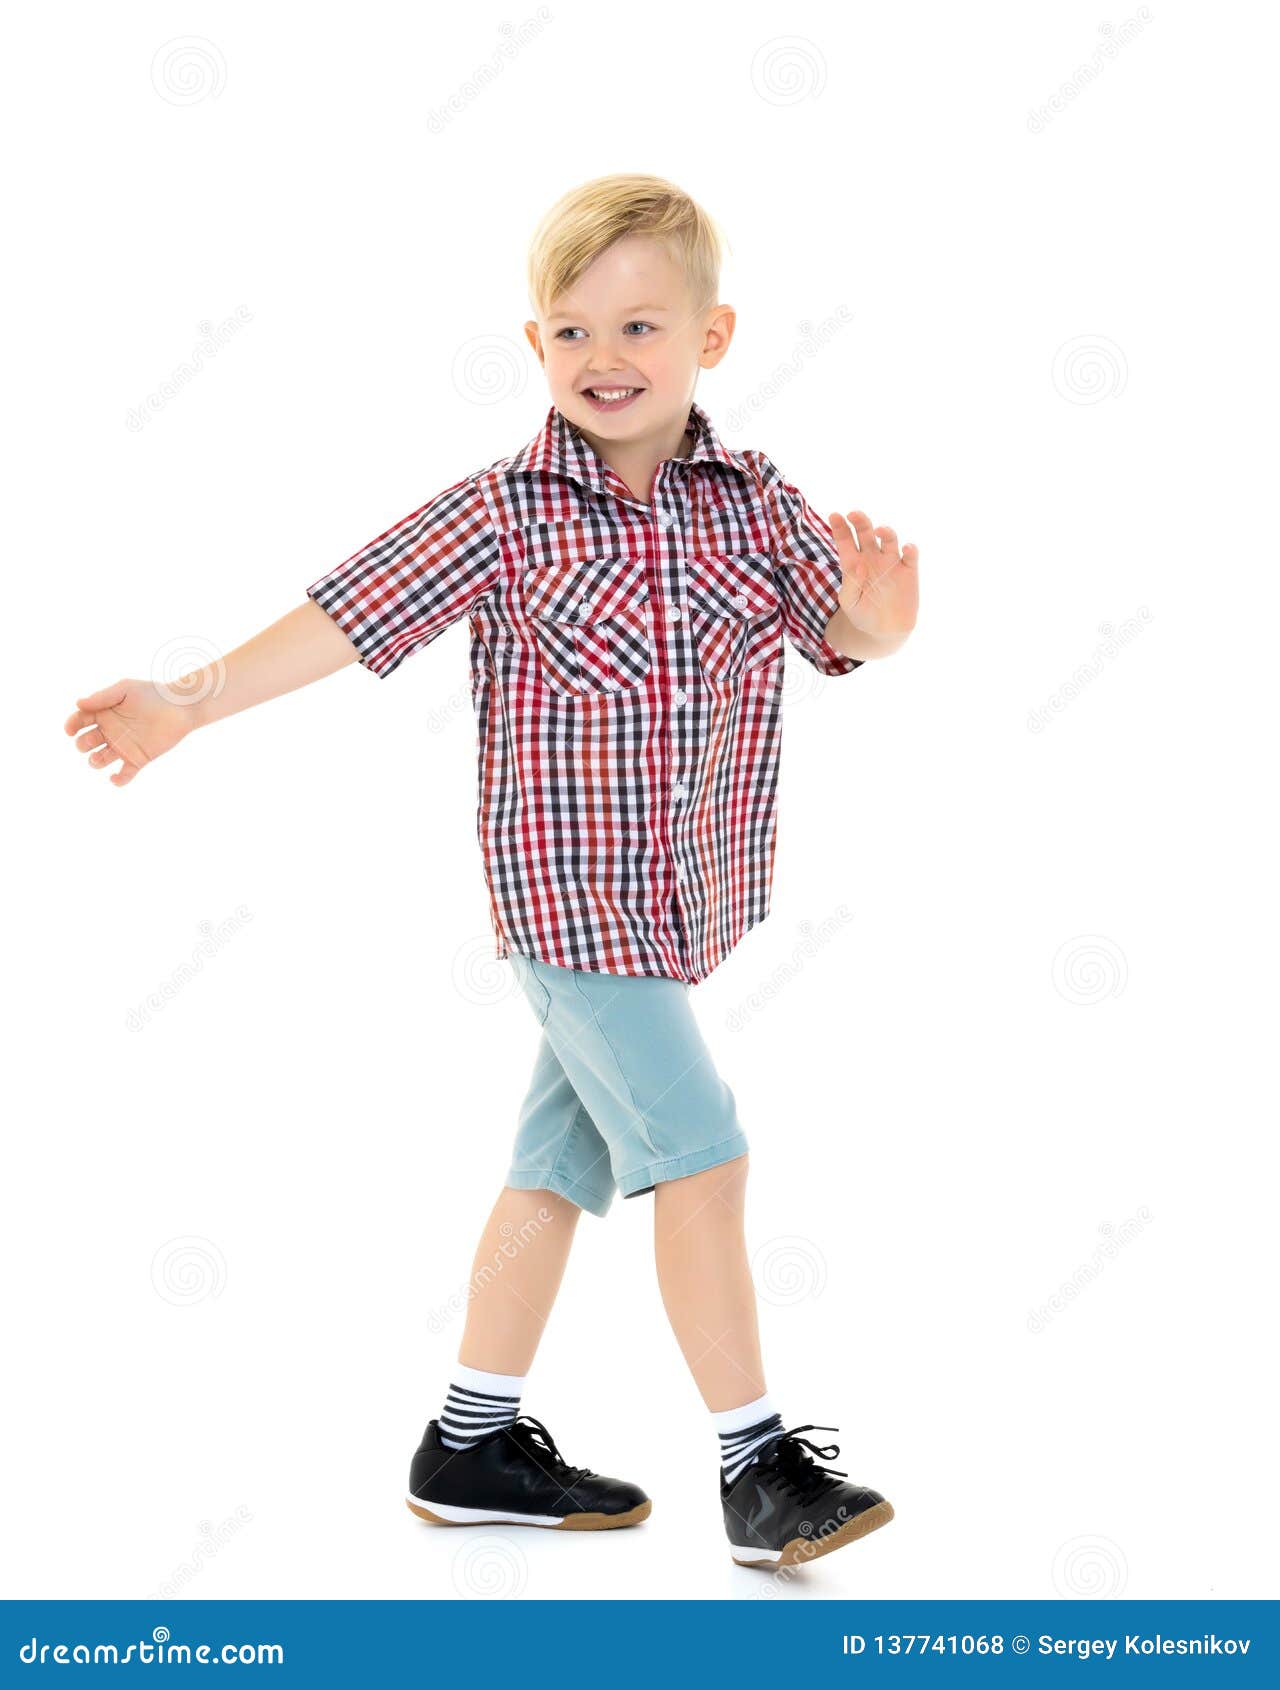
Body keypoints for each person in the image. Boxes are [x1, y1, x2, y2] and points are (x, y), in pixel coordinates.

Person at [64, 173, 919, 1571]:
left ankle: (470, 1439)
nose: (604, 359)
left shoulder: (758, 502)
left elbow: (840, 630)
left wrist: (879, 632)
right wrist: (186, 694)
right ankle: (760, 1465)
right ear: (535, 350)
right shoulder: (505, 512)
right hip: (566, 906)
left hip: (682, 903)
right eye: (570, 332)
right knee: (702, 1153)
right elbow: (344, 613)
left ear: (713, 339)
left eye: (640, 326)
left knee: (553, 1168)